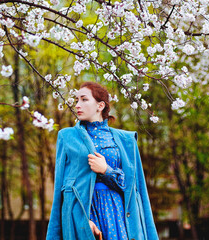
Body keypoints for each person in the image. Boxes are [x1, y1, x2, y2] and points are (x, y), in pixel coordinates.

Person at [46, 82, 159, 240]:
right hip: (83, 216)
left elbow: (136, 187)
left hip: (118, 214)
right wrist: (82, 221)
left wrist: (106, 170)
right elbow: (61, 191)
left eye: (84, 100)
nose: (77, 105)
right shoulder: (67, 137)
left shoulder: (126, 139)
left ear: (100, 105)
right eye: (76, 100)